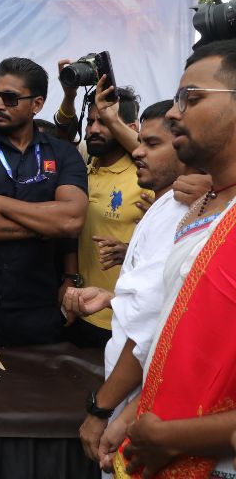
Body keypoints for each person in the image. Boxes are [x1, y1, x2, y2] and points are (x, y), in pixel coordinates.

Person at [109, 40, 236, 478]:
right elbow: (171, 331)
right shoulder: (199, 207)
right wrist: (132, 416)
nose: (176, 114)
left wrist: (173, 437)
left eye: (192, 99)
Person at [61, 101, 194, 468]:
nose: (136, 151)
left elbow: (147, 332)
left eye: (151, 144)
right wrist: (112, 298)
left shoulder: (182, 211)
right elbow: (159, 301)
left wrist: (102, 410)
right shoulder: (167, 204)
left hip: (144, 404)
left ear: (185, 145)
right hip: (137, 399)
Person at [0, 57, 88, 346]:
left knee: (35, 377)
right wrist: (43, 227)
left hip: (38, 306)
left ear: (37, 104)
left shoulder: (63, 154)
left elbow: (71, 219)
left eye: (9, 98)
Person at [68, 84, 149, 348]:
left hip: (123, 319)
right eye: (90, 121)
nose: (93, 129)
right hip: (82, 309)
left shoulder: (146, 178)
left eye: (104, 122)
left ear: (130, 128)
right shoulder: (84, 167)